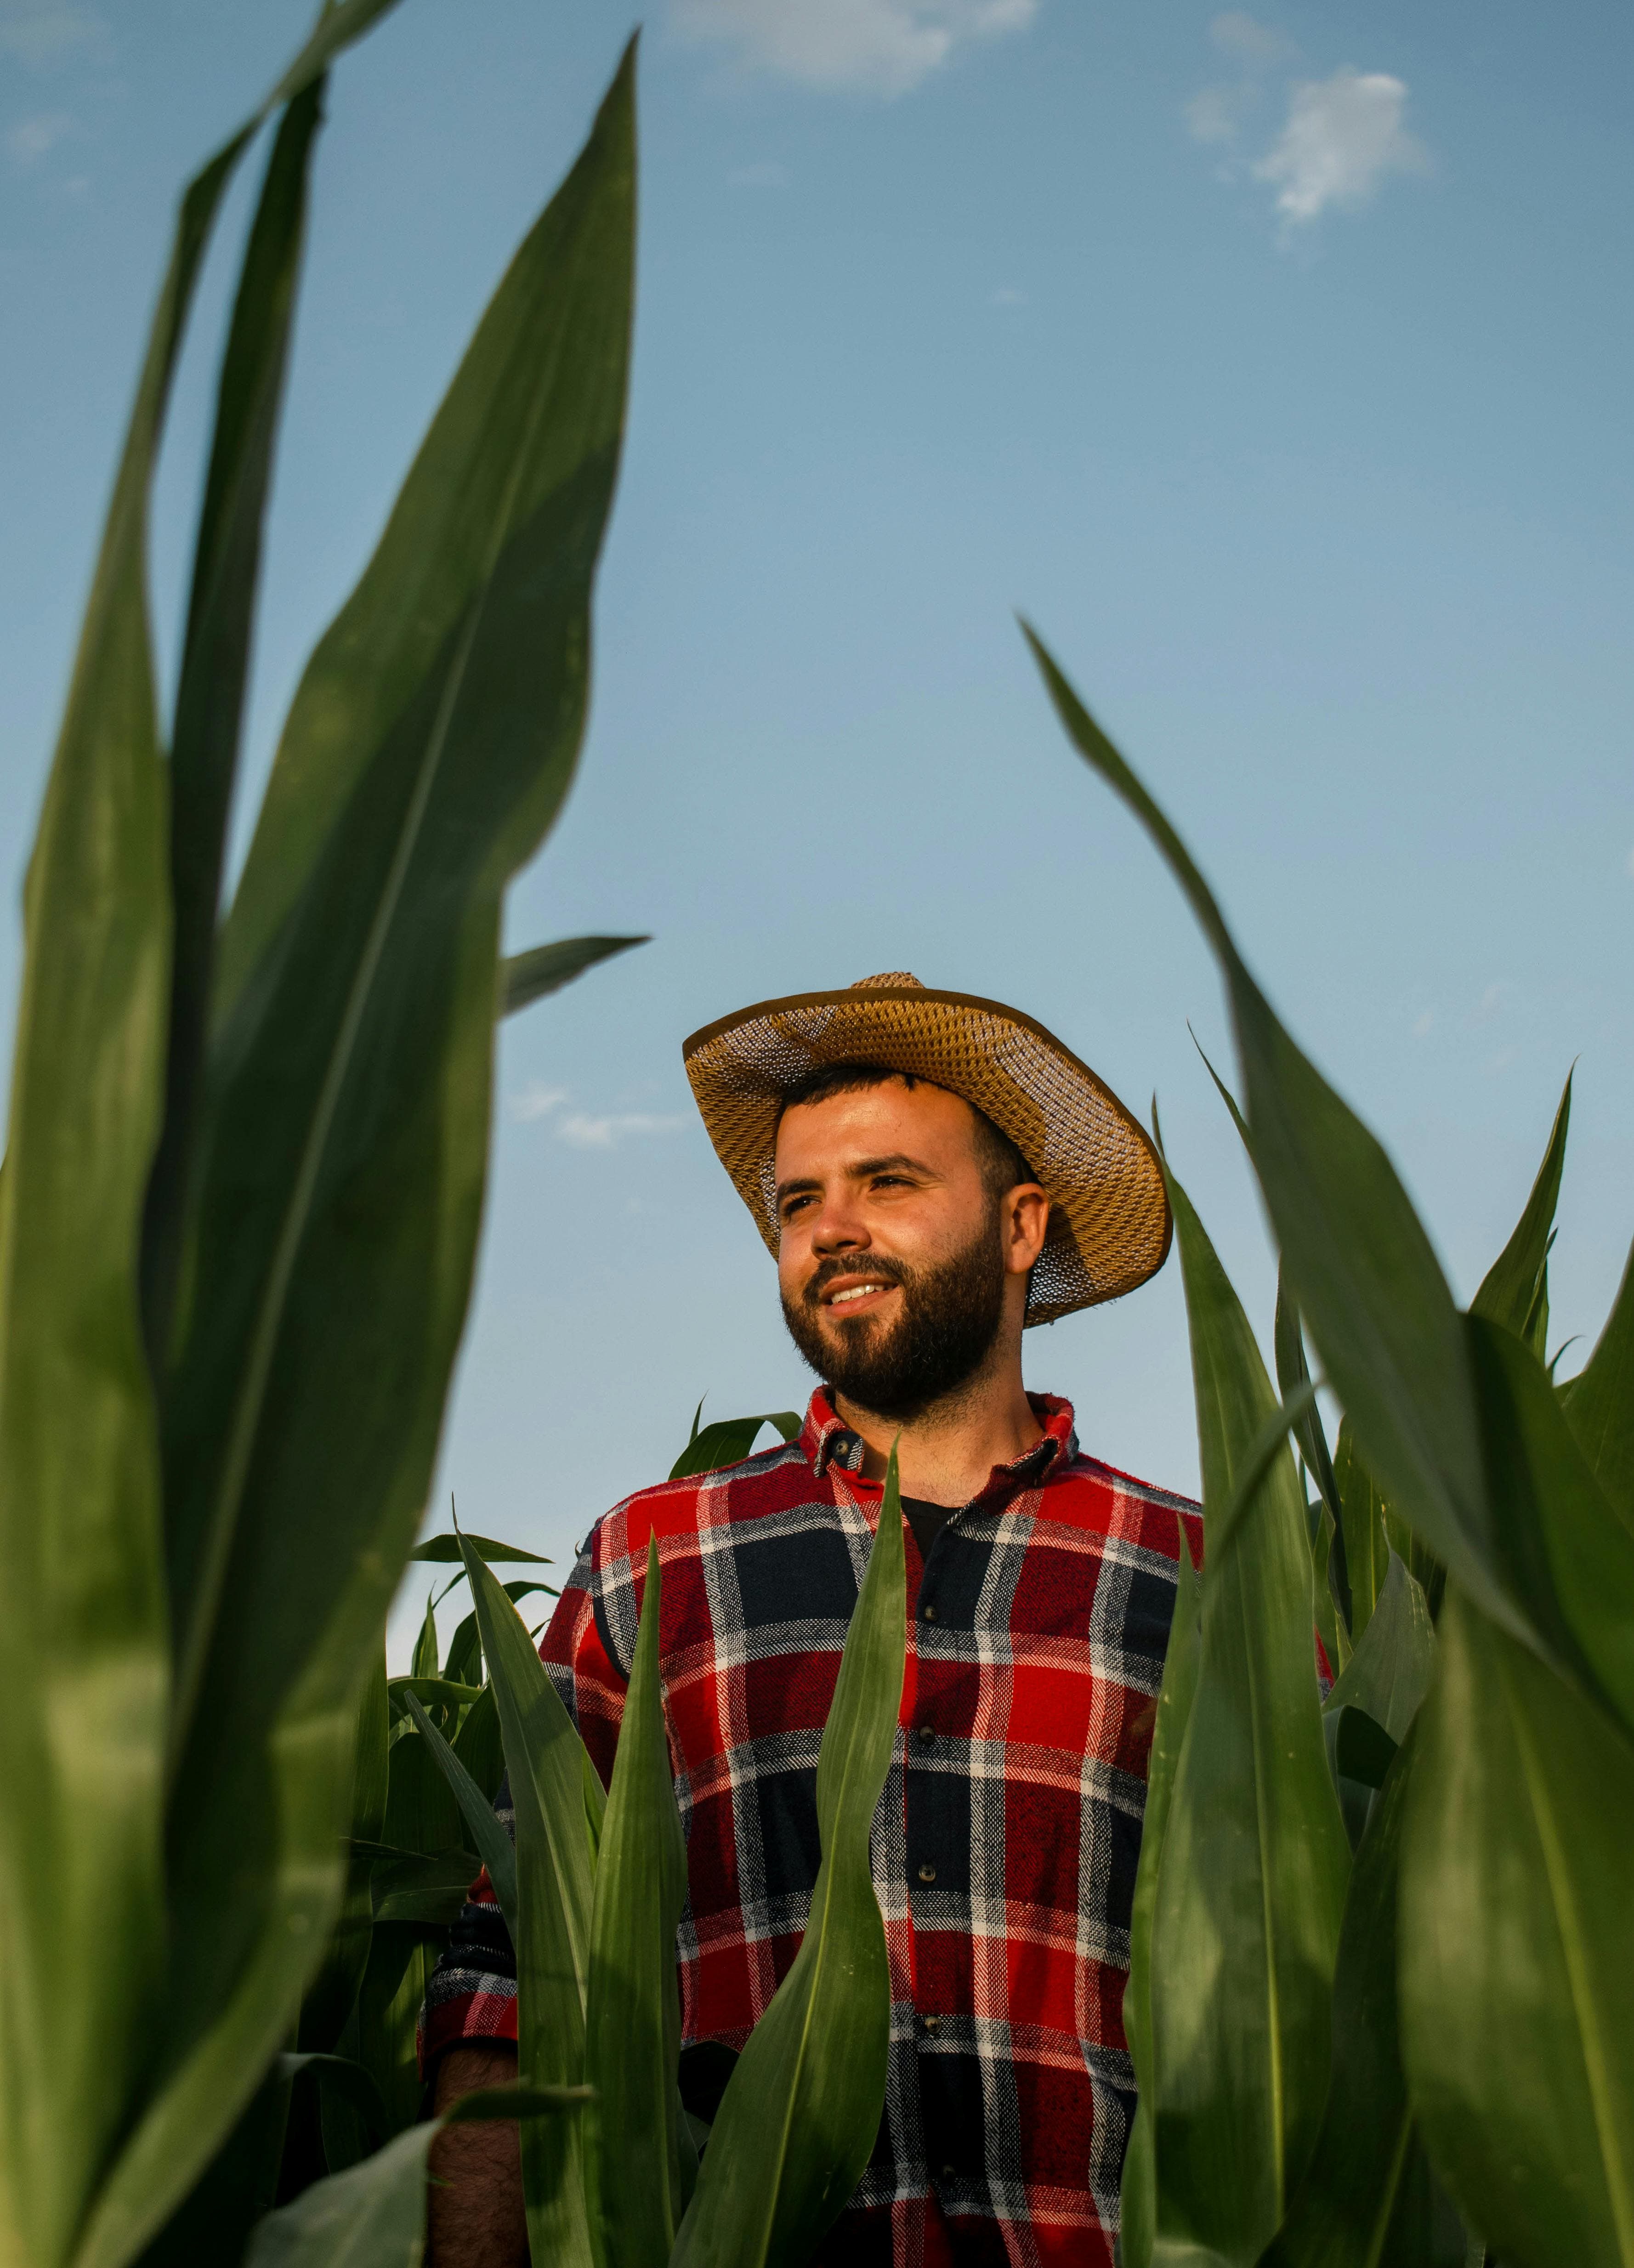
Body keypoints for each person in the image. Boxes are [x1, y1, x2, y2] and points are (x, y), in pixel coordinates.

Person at [421, 972, 1200, 2268]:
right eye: (797, 1203)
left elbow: (1320, 1948)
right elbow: (511, 1962)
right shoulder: (657, 1561)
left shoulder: (1194, 1573)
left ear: (1019, 1227)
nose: (830, 1229)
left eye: (886, 1184)